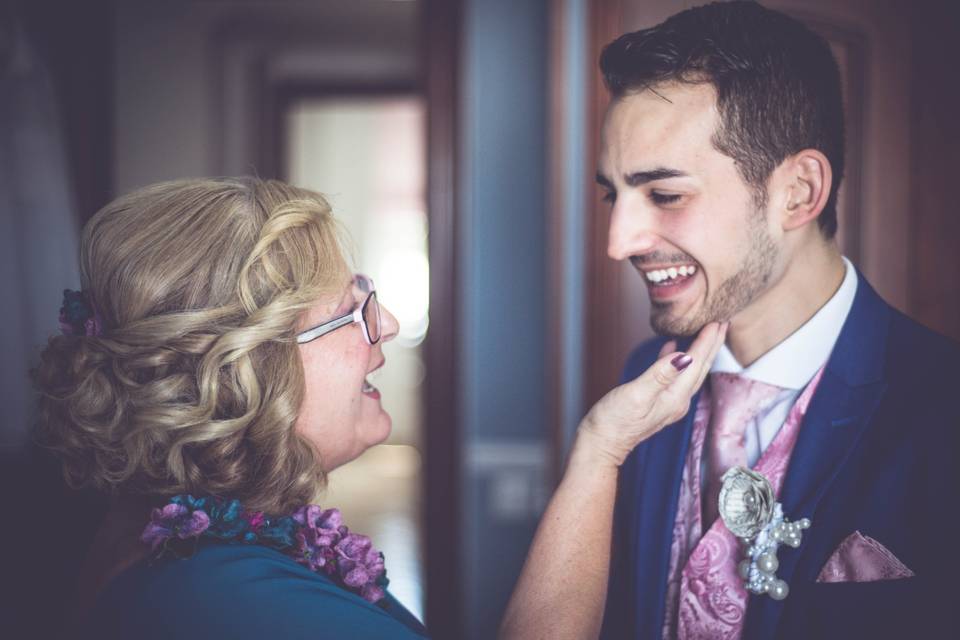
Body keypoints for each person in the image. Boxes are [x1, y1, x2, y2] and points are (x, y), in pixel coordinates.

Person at [502, 2, 958, 639]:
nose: (619, 240)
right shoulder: (643, 381)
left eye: (665, 195)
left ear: (798, 191)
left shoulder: (944, 406)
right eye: (615, 194)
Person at [33, 178, 426, 639]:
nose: (389, 324)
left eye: (365, 290)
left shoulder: (177, 537)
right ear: (248, 370)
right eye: (351, 309)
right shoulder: (231, 602)